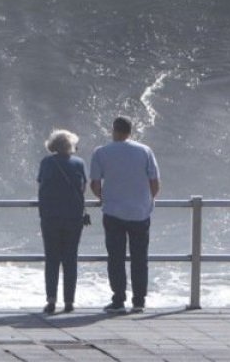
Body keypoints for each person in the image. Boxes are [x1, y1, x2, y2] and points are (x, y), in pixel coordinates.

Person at [90, 116, 160, 314]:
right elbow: (154, 182)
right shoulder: (145, 151)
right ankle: (139, 300)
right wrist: (147, 200)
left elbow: (95, 185)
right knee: (140, 257)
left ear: (114, 130)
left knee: (116, 257)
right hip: (140, 212)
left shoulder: (101, 152)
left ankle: (118, 299)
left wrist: (105, 198)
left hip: (113, 212)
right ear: (131, 131)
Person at [36, 129, 87, 315]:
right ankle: (69, 301)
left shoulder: (47, 162)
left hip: (50, 216)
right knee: (70, 258)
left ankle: (51, 301)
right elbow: (83, 187)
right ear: (71, 145)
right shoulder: (79, 163)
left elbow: (41, 183)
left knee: (52, 259)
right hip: (73, 217)